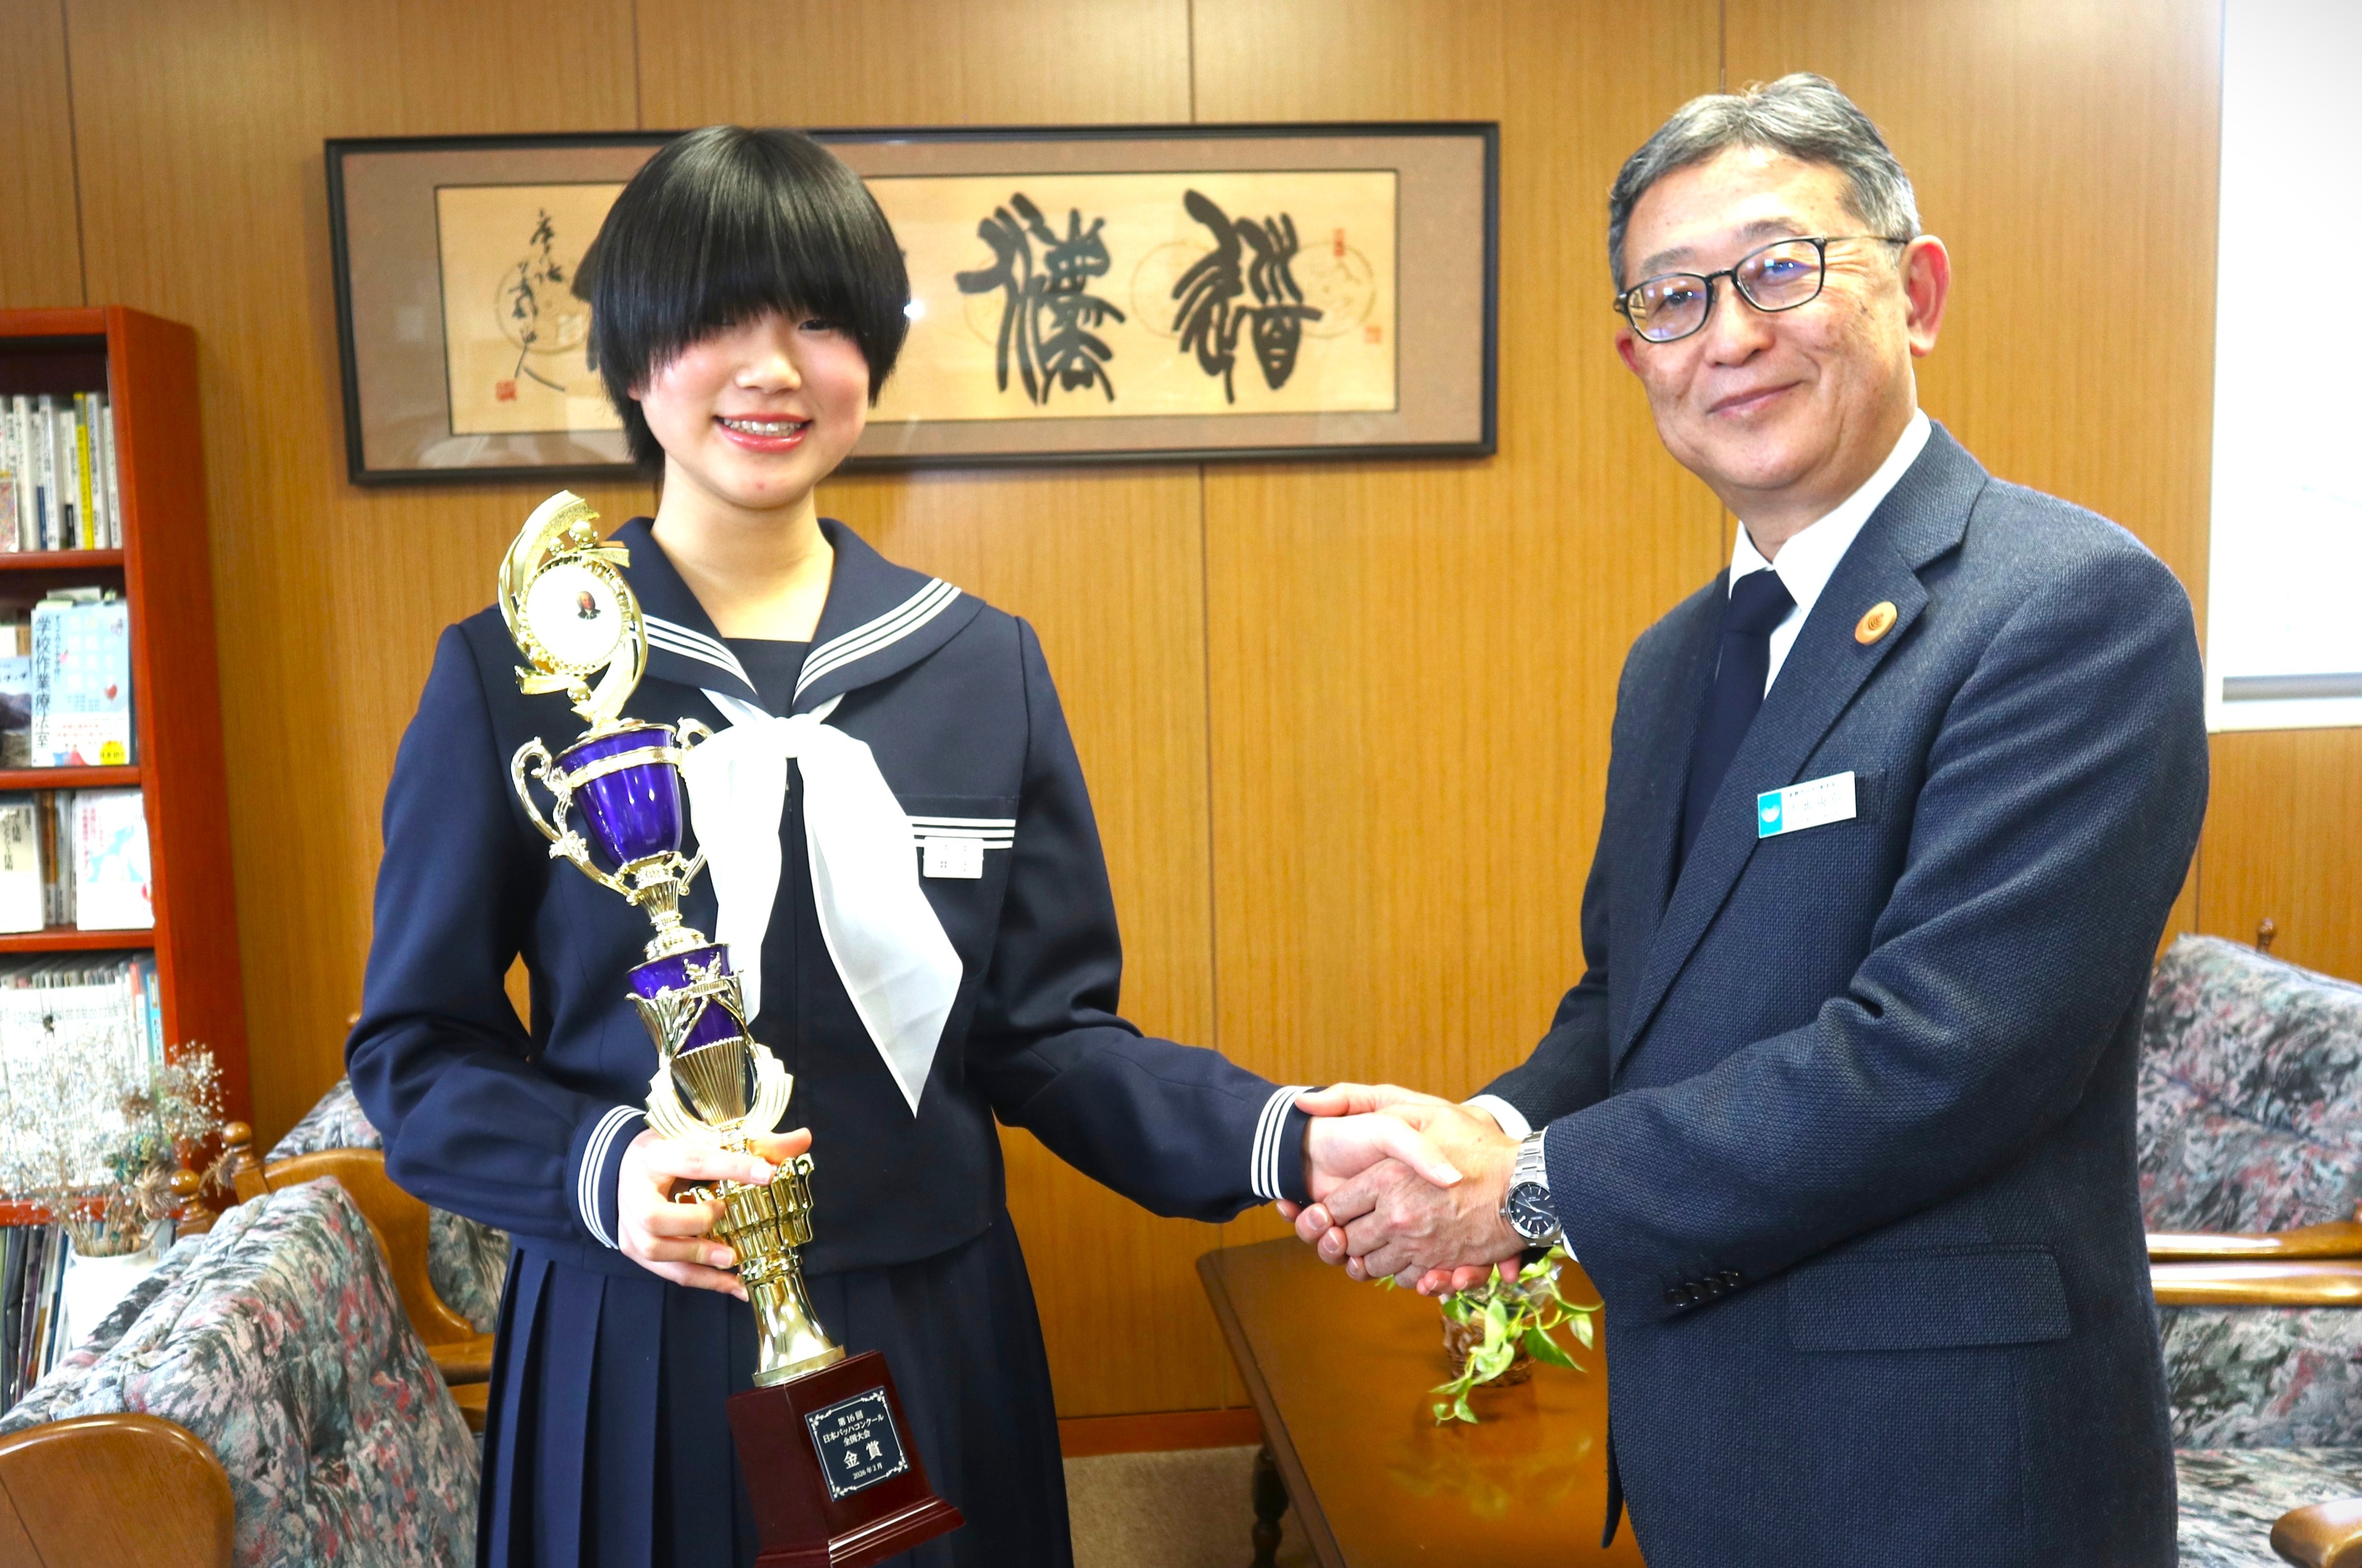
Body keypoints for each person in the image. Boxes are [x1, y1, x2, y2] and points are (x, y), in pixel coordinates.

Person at [346, 126, 1442, 1568]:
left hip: (928, 1315)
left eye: (819, 321)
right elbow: (416, 1050)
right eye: (717, 320)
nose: (772, 369)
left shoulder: (981, 665)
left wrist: (1287, 1137)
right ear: (630, 361)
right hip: (632, 1324)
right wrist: (601, 1168)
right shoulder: (513, 674)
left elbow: (1049, 1039)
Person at [1285, 75, 2205, 1565]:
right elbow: (1630, 1001)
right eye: (1673, 297)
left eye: (1780, 269)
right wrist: (1479, 1130)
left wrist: (1523, 1193)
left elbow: (1942, 1053)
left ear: (1917, 292)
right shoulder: (1675, 661)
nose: (1728, 334)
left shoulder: (2068, 608)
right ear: (1635, 354)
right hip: (1711, 1442)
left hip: (1955, 1479)